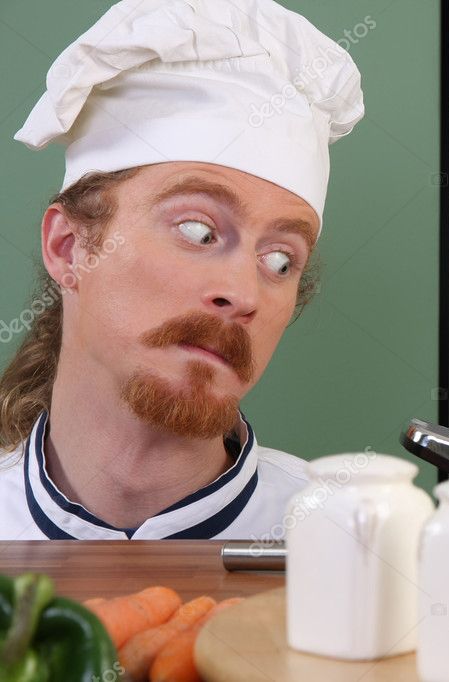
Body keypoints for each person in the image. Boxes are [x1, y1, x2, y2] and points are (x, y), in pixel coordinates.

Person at [0, 0, 364, 539]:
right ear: (70, 246)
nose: (244, 293)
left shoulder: (345, 544)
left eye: (280, 261)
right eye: (198, 232)